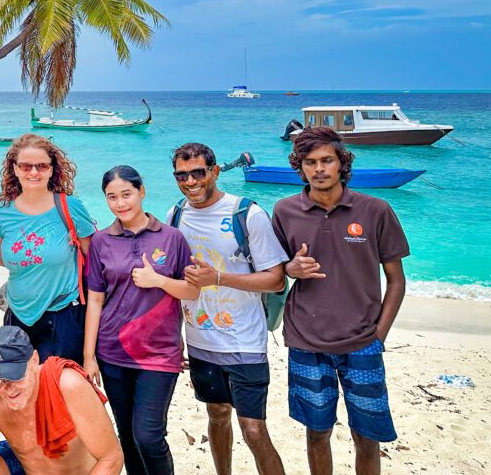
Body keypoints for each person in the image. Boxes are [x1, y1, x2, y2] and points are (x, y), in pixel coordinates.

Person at [272, 127, 409, 475]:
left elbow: (396, 280)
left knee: (367, 437)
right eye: (310, 162)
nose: (319, 169)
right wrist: (291, 267)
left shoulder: (376, 210)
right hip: (306, 340)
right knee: (317, 433)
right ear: (300, 167)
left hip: (362, 342)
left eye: (326, 160)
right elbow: (274, 273)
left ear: (341, 164)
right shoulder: (285, 212)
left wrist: (379, 334)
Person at [166, 143, 288, 475]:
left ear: (215, 171)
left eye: (198, 173)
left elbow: (276, 280)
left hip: (245, 343)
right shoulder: (175, 215)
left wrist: (217, 278)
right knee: (217, 416)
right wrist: (174, 340)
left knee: (253, 428)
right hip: (201, 342)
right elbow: (174, 282)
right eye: (182, 175)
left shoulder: (247, 214)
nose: (190, 181)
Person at [83, 165, 199, 475]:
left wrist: (158, 280)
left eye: (126, 194)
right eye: (112, 197)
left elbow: (191, 290)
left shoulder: (172, 238)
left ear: (141, 192)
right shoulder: (101, 241)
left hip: (159, 353)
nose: (120, 204)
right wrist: (88, 356)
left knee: (148, 436)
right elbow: (95, 299)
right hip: (112, 351)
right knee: (128, 436)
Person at [0, 134, 95, 364]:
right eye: (26, 166)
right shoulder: (2, 212)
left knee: (57, 392)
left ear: (51, 170)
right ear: (14, 169)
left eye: (41, 166)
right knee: (19, 393)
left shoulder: (70, 207)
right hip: (17, 315)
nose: (33, 172)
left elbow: (95, 259)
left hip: (64, 315)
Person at [0, 326, 123, 475]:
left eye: (17, 377)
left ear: (34, 360)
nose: (9, 388)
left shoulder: (67, 384)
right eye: (1, 379)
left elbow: (111, 458)